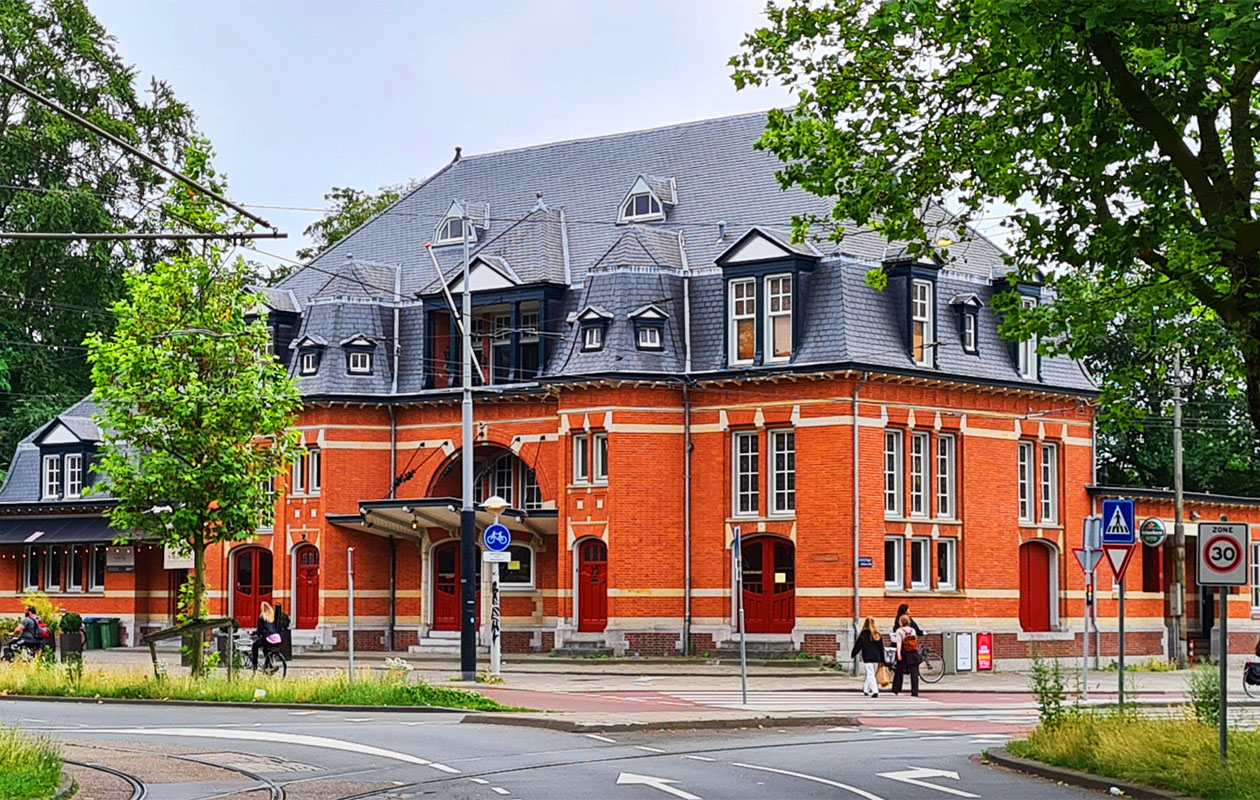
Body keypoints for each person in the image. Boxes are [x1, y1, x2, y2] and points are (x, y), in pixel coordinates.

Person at [850, 617, 886, 697]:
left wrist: (853, 654)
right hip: (876, 658)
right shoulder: (877, 634)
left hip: (867, 657)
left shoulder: (864, 634)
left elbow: (858, 645)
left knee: (870, 674)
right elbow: (881, 648)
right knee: (871, 673)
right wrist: (883, 660)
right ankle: (866, 689)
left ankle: (875, 691)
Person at [891, 613, 921, 697]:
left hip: (904, 652)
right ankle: (915, 691)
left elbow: (899, 643)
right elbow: (915, 641)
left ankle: (896, 689)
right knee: (914, 673)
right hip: (913, 652)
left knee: (899, 671)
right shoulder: (913, 630)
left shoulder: (899, 631)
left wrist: (899, 654)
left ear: (901, 622)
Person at [250, 601, 280, 669]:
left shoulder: (262, 617)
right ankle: (268, 666)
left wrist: (253, 633)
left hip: (268, 638)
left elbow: (260, 630)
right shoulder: (272, 617)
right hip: (275, 637)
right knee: (266, 650)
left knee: (255, 646)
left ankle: (255, 664)